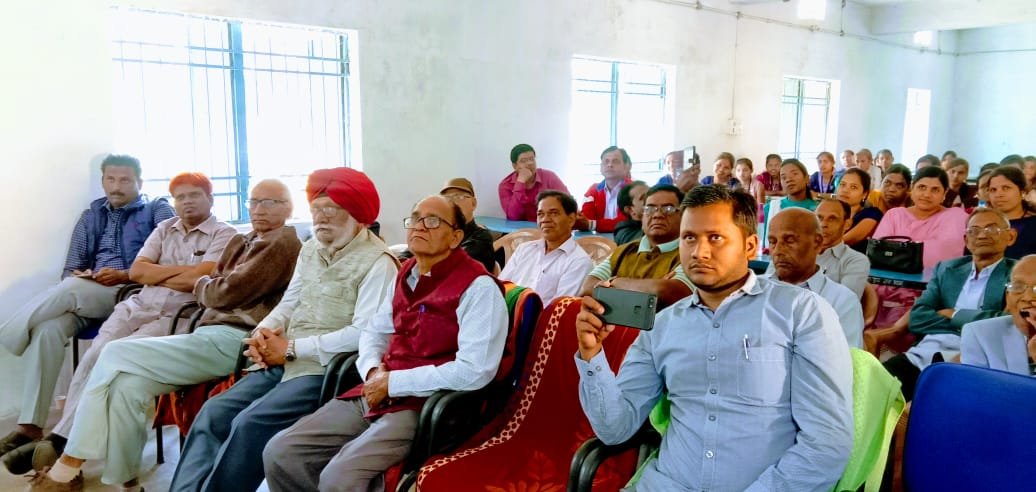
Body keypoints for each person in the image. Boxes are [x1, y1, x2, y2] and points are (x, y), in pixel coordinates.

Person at [24, 180, 302, 491]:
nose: (259, 209)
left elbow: (222, 292)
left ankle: (68, 462)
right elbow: (149, 273)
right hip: (203, 328)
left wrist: (197, 283)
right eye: (254, 201)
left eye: (270, 202)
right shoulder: (243, 239)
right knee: (125, 388)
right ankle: (128, 484)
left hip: (236, 337)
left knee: (112, 352)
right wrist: (200, 281)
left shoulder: (282, 242)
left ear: (289, 208)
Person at [575, 185, 852, 491]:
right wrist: (592, 356)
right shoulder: (663, 325)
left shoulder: (800, 311)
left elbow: (827, 444)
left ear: (750, 246)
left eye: (715, 237)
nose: (699, 252)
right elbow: (615, 429)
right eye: (689, 238)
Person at [168, 168, 399, 492]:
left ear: (356, 215)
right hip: (283, 358)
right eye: (316, 209)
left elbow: (364, 334)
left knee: (249, 423)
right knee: (214, 412)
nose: (321, 217)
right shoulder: (311, 248)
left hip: (325, 369)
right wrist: (262, 332)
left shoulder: (379, 262)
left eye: (331, 209)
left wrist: (290, 349)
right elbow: (290, 303)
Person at [262, 195, 508, 491]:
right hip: (377, 389)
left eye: (433, 221)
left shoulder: (478, 287)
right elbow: (373, 332)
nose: (419, 226)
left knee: (340, 476)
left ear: (456, 237)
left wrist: (393, 383)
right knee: (281, 451)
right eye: (415, 219)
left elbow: (475, 371)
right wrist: (372, 372)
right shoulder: (406, 273)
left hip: (426, 404)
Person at [0, 155, 174, 461]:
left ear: (139, 182)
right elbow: (70, 268)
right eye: (110, 179)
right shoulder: (91, 216)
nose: (116, 186)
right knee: (47, 329)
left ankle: (7, 335)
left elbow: (169, 261)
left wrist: (123, 274)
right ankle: (30, 426)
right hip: (90, 293)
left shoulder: (157, 210)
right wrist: (84, 276)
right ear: (102, 180)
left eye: (125, 180)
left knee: (70, 289)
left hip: (133, 293)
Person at [882, 208, 1017, 400]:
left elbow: (1009, 322)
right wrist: (973, 323)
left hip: (975, 360)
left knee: (930, 405)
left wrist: (954, 314)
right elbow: (918, 318)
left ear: (1010, 237)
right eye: (974, 230)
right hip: (924, 353)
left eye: (991, 229)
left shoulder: (1017, 274)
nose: (982, 235)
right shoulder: (947, 269)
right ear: (966, 240)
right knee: (876, 390)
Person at [579, 185, 693, 308]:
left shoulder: (690, 252)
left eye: (668, 209)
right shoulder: (624, 250)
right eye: (650, 209)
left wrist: (614, 282)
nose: (657, 215)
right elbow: (587, 287)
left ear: (683, 215)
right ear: (641, 216)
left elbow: (668, 292)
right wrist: (651, 288)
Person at [767, 208, 864, 347]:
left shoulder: (841, 301)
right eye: (772, 242)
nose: (778, 251)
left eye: (790, 241)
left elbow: (845, 358)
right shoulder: (753, 291)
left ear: (817, 243)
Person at [499, 191, 593, 304]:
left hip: (543, 315)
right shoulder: (524, 249)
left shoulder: (579, 261)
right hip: (506, 311)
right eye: (540, 214)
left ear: (571, 219)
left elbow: (559, 307)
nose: (545, 219)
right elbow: (500, 288)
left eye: (553, 213)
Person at [874, 166, 968, 270]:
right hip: (888, 277)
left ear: (944, 193)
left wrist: (897, 253)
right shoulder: (894, 215)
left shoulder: (955, 216)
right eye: (922, 187)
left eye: (935, 190)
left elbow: (942, 255)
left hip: (936, 279)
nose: (927, 194)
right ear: (912, 188)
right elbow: (878, 253)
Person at [961, 254, 1036, 376]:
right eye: (1017, 287)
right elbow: (977, 387)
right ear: (1007, 297)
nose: (1027, 297)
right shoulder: (980, 334)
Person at [407, 178, 495, 273]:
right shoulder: (435, 231)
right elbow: (409, 255)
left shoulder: (480, 238)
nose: (453, 202)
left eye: (459, 197)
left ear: (473, 203)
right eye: (447, 198)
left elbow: (454, 268)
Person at [814, 198, 871, 299]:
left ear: (847, 224)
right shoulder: (800, 253)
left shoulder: (855, 260)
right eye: (819, 218)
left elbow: (844, 302)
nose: (823, 224)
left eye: (832, 219)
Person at [498, 144, 569, 221]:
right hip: (519, 228)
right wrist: (520, 182)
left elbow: (568, 203)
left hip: (549, 224)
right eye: (523, 161)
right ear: (515, 166)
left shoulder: (549, 177)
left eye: (532, 159)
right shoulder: (505, 185)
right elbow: (514, 216)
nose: (530, 163)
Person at [985, 166, 1036, 259]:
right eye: (993, 190)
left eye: (1006, 188)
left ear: (1022, 192)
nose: (998, 194)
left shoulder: (1033, 224)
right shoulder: (982, 225)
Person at [579, 146, 633, 233]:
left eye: (615, 161)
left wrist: (592, 224)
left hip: (628, 238)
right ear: (601, 167)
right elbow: (585, 220)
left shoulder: (634, 189)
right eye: (606, 161)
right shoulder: (593, 190)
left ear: (626, 166)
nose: (609, 165)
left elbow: (625, 222)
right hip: (598, 239)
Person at [836, 168, 883, 252]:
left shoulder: (872, 214)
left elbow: (847, 240)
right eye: (842, 184)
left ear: (865, 194)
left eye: (853, 187)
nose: (845, 190)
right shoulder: (829, 212)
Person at [614, 181, 648, 245]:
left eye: (651, 194)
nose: (652, 199)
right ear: (630, 210)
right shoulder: (624, 234)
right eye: (644, 198)